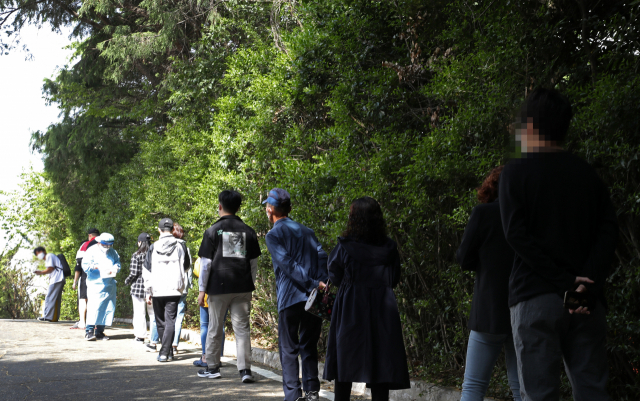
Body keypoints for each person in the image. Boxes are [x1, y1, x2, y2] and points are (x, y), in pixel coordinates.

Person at [499, 88, 618, 401]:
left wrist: (564, 282)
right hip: (585, 301)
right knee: (592, 389)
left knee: (539, 394)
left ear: (531, 126)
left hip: (536, 296)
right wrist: (585, 285)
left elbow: (516, 235)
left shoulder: (515, 172)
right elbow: (608, 233)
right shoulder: (588, 176)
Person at [323, 197, 410, 401]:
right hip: (382, 307)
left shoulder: (345, 247)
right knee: (381, 364)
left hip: (350, 306)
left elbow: (334, 274)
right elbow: (395, 278)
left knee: (344, 363)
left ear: (354, 219)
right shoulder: (389, 248)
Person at [456, 167, 521, 401]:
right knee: (521, 388)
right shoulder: (528, 216)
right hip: (522, 306)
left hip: (489, 309)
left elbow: (464, 258)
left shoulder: (483, 214)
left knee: (474, 386)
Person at [263, 188, 328, 401]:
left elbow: (288, 265)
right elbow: (322, 255)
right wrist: (320, 282)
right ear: (289, 209)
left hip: (290, 298)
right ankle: (312, 393)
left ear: (270, 209)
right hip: (312, 298)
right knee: (308, 344)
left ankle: (292, 396)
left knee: (288, 349)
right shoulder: (307, 231)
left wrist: (310, 282)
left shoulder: (273, 235)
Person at [196, 190, 261, 383]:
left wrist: (202, 291)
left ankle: (213, 367)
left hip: (218, 288)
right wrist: (250, 284)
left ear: (220, 206)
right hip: (242, 288)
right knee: (242, 330)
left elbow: (206, 264)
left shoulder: (212, 231)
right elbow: (253, 264)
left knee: (215, 327)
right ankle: (245, 371)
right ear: (238, 207)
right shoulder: (248, 231)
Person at [144, 217, 190, 362]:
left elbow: (146, 270)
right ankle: (168, 352)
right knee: (170, 320)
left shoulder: (153, 247)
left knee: (160, 321)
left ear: (159, 230)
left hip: (157, 289)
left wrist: (148, 290)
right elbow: (187, 266)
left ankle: (164, 352)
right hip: (174, 289)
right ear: (172, 229)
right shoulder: (180, 246)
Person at [82, 233, 121, 341]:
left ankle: (99, 331)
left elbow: (117, 262)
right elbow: (85, 265)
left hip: (109, 284)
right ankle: (89, 331)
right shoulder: (91, 251)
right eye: (105, 245)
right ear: (99, 242)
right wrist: (95, 267)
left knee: (107, 307)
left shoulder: (112, 252)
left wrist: (116, 267)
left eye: (109, 245)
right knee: (94, 307)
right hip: (95, 283)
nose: (107, 247)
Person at [192, 257, 226, 368]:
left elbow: (197, 270)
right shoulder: (226, 249)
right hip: (223, 293)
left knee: (205, 325)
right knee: (220, 324)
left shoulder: (205, 253)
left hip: (207, 294)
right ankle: (218, 357)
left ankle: (205, 357)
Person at [125, 232, 153, 343]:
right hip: (152, 287)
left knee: (139, 312)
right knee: (153, 313)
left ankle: (140, 336)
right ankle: (154, 336)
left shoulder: (137, 255)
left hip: (138, 287)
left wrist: (127, 281)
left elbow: (134, 272)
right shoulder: (154, 254)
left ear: (140, 242)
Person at [71, 228, 100, 329]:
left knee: (83, 298)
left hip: (85, 275)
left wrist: (75, 281)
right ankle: (96, 323)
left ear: (90, 235)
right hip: (99, 276)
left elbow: (78, 264)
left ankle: (82, 322)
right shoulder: (104, 243)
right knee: (96, 299)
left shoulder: (85, 245)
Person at [171, 222, 192, 355]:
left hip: (170, 287)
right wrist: (188, 285)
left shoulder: (168, 245)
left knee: (169, 315)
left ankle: (166, 342)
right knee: (179, 316)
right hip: (182, 287)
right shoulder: (185, 247)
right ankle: (174, 344)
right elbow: (188, 269)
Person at [33, 247, 65, 322]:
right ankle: (54, 317)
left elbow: (50, 268)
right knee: (56, 298)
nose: (39, 255)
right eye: (37, 254)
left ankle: (47, 316)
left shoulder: (49, 256)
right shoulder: (50, 256)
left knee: (49, 297)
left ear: (44, 251)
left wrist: (40, 272)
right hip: (59, 278)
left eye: (39, 252)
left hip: (56, 279)